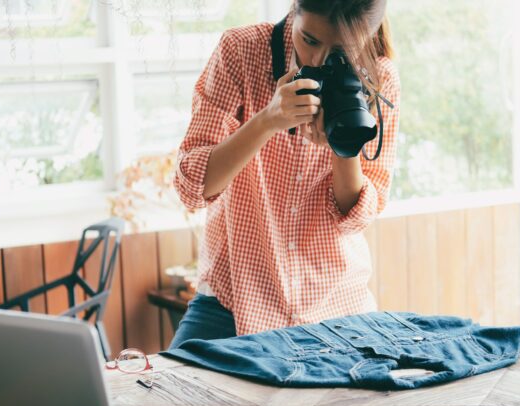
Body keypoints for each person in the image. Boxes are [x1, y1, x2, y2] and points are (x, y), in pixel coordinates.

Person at [170, 0, 400, 348]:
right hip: (233, 302)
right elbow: (192, 187)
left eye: (340, 50)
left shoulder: (380, 79)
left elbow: (355, 218)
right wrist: (267, 120)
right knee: (175, 396)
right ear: (295, 10)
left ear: (365, 37)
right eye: (309, 39)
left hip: (336, 306)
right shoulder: (242, 52)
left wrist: (343, 147)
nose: (317, 60)